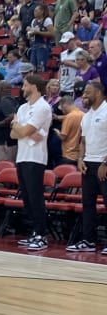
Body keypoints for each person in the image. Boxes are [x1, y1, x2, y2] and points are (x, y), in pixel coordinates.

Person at [10, 75, 53, 250]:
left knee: (35, 197)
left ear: (34, 86)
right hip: (21, 155)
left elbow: (25, 129)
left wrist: (20, 128)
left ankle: (42, 235)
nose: (22, 88)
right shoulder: (22, 107)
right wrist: (23, 131)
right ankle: (34, 232)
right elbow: (13, 134)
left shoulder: (43, 107)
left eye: (25, 85)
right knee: (27, 198)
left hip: (36, 157)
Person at [67, 82, 107, 252]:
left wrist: (105, 163)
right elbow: (82, 141)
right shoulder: (87, 115)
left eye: (87, 92)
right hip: (88, 164)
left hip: (103, 163)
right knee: (88, 204)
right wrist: (80, 159)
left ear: (98, 93)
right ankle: (88, 241)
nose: (83, 95)